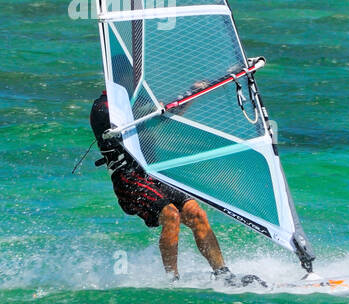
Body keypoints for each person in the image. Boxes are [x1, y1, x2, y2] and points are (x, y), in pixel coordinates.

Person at [90, 91, 261, 285]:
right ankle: (173, 280)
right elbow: (138, 117)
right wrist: (157, 109)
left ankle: (223, 274)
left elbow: (164, 113)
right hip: (128, 179)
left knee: (196, 213)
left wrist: (192, 93)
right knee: (171, 215)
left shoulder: (136, 100)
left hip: (152, 174)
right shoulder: (102, 107)